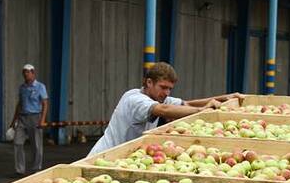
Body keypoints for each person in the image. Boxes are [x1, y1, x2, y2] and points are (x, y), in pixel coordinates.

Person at [89, 62, 240, 155]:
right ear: (149, 82)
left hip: (121, 158)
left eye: (170, 89)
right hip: (104, 156)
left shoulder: (159, 97)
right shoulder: (135, 99)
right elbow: (163, 110)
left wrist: (224, 98)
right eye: (163, 87)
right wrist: (202, 111)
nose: (167, 93)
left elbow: (187, 104)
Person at [9, 64, 48, 174]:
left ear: (33, 73)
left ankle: (36, 168)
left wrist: (42, 120)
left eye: (28, 72)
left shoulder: (40, 87)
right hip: (22, 118)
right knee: (17, 142)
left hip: (35, 117)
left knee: (36, 144)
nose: (26, 74)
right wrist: (13, 121)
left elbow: (45, 103)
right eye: (24, 72)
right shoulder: (22, 88)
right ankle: (20, 170)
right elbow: (19, 104)